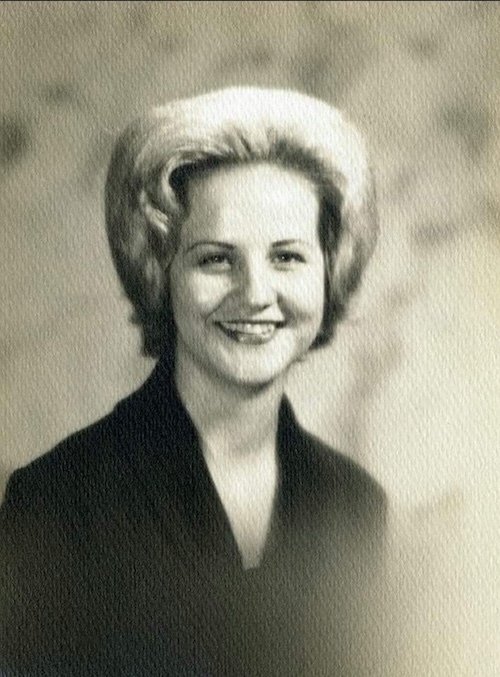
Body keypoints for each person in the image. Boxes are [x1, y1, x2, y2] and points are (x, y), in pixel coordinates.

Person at [0, 87, 387, 676]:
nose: (255, 294)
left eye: (287, 257)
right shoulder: (57, 503)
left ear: (329, 271)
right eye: (216, 259)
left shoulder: (354, 505)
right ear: (161, 272)